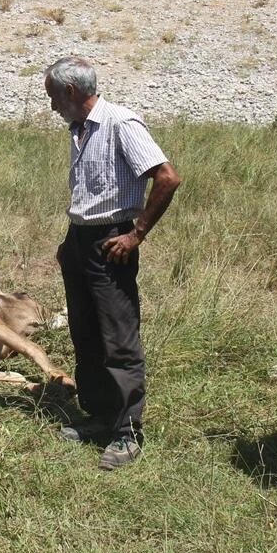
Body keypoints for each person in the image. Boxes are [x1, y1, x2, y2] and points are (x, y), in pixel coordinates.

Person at [44, 56, 182, 471]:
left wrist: (136, 233)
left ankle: (127, 431)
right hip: (80, 238)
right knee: (84, 332)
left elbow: (168, 177)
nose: (50, 105)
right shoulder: (79, 130)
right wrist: (71, 243)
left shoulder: (121, 123)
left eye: (52, 96)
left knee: (118, 336)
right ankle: (100, 415)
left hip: (112, 240)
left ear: (71, 91)